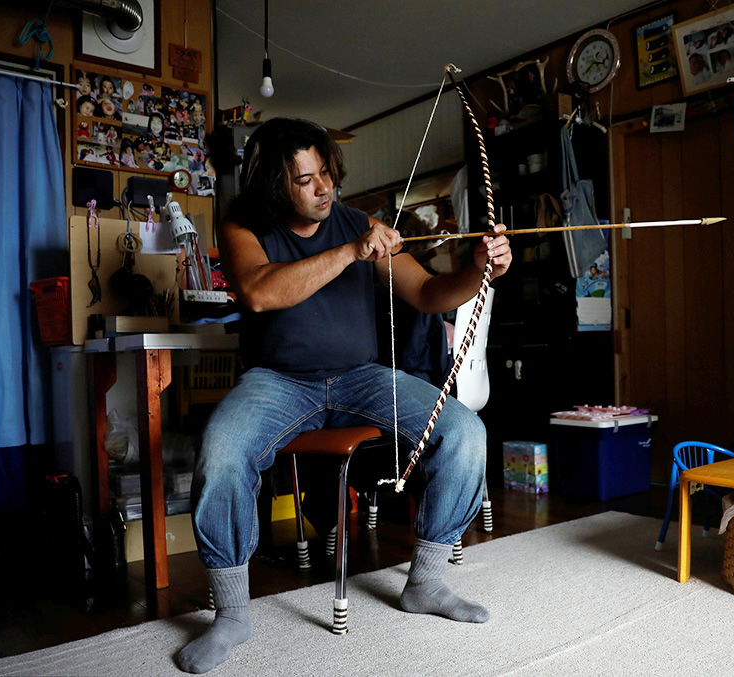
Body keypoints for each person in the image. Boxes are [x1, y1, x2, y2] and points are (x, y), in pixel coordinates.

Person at [177, 118, 512, 674]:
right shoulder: (246, 225)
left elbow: (429, 294)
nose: (324, 188)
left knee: (463, 431)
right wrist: (353, 251)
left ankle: (426, 583)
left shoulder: (358, 222)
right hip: (278, 381)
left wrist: (477, 271)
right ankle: (232, 615)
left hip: (362, 376)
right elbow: (259, 292)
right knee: (222, 451)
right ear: (274, 184)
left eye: (327, 174)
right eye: (306, 180)